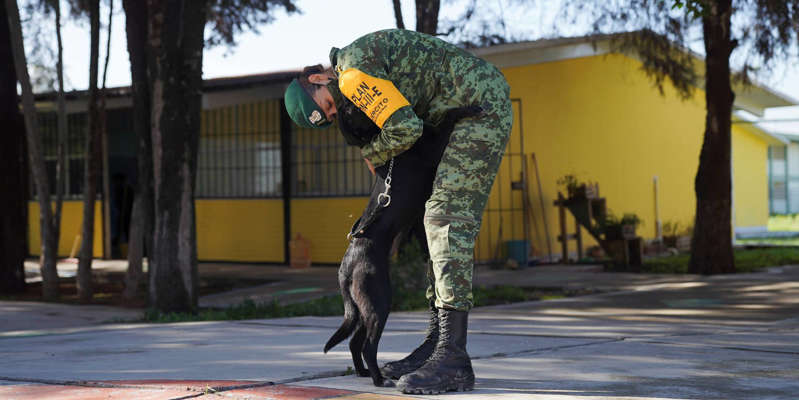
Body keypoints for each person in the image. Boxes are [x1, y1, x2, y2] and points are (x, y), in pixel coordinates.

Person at [284, 29, 512, 394]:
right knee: (428, 224)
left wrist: (372, 155)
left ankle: (453, 358)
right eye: (328, 116)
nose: (334, 111)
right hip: (461, 108)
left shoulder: (353, 75)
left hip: (478, 107)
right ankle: (436, 344)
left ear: (318, 78)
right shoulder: (354, 65)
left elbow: (405, 128)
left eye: (327, 105)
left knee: (444, 218)